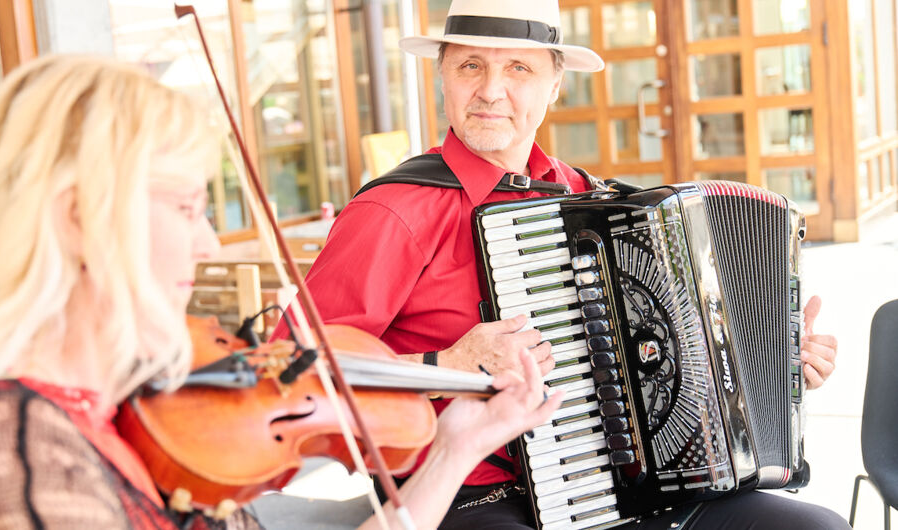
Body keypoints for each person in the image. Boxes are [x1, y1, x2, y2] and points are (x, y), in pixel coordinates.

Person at [283, 0, 846, 528]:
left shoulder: (589, 201)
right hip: (471, 495)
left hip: (620, 487)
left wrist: (769, 369)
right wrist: (445, 364)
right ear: (442, 76)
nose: (490, 91)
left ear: (555, 84)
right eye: (470, 66)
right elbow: (292, 374)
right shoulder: (392, 212)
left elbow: (670, 354)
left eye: (520, 70)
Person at [0, 54, 563, 530]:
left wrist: (455, 449)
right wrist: (440, 367)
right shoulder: (19, 464)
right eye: (187, 207)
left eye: (520, 69)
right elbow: (297, 361)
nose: (210, 244)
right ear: (77, 218)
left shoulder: (101, 413)